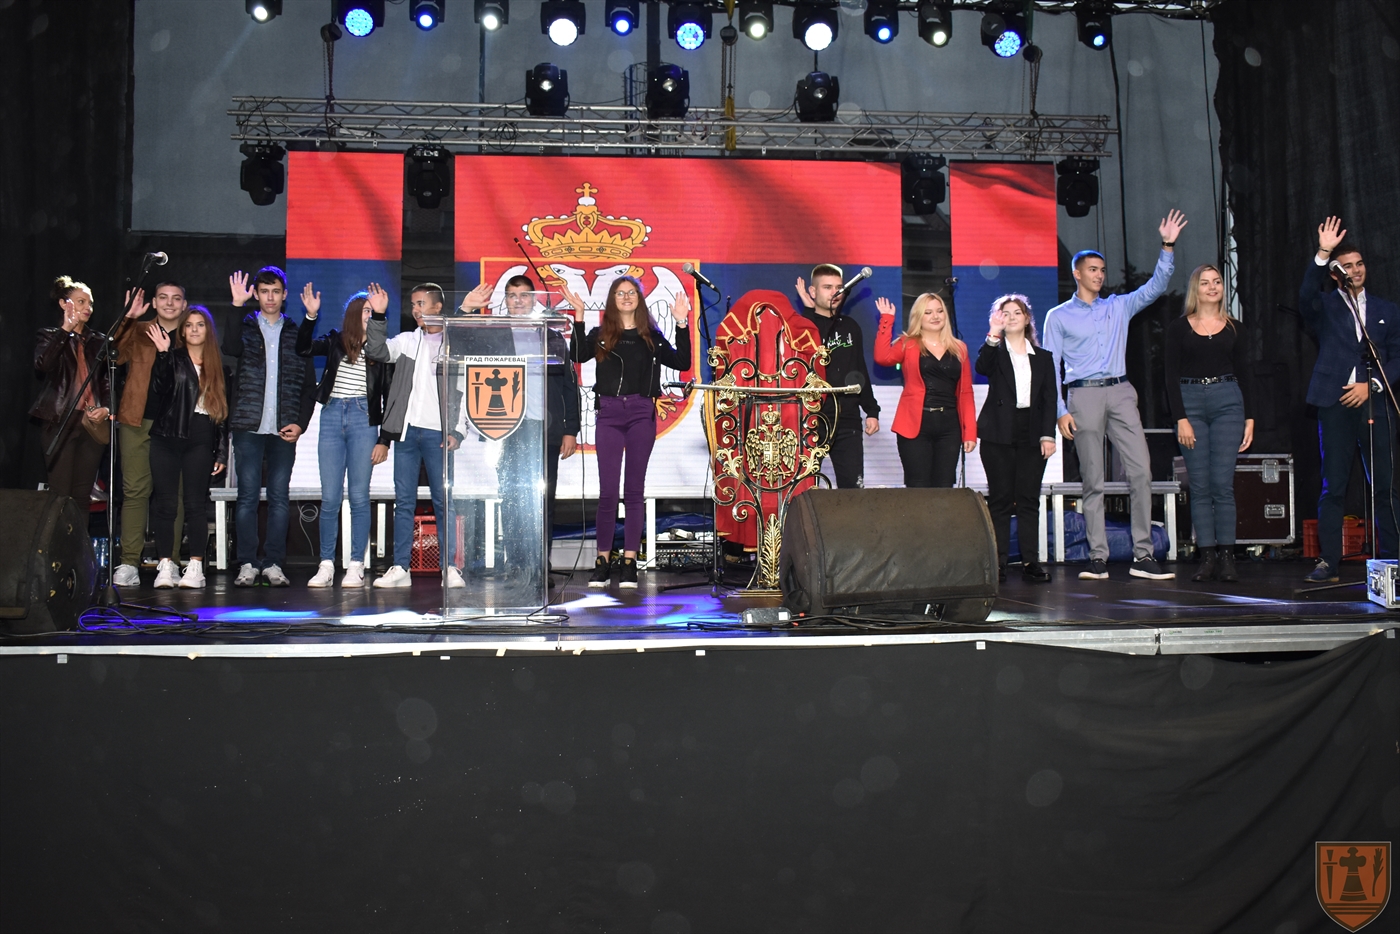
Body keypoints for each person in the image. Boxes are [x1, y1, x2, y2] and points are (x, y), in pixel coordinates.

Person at [1043, 210, 1188, 581]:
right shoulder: (1058, 316)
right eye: (1092, 270)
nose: (1099, 275)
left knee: (1141, 471)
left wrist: (1167, 246)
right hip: (1083, 395)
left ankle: (1143, 555)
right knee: (1093, 479)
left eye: (1102, 270)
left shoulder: (1118, 306)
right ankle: (1098, 557)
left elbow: (1155, 287)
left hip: (1121, 391)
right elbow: (1050, 367)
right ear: (1077, 273)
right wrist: (1059, 410)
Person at [563, 276, 691, 588]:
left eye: (631, 292)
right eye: (620, 293)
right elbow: (577, 355)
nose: (626, 297)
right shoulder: (602, 334)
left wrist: (681, 323)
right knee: (608, 493)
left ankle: (630, 561)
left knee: (634, 491)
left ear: (639, 298)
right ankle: (603, 560)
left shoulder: (651, 337)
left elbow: (683, 361)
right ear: (612, 299)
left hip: (640, 413)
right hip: (608, 413)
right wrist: (579, 317)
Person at [1299, 217, 1400, 583]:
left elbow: (1397, 357)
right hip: (1335, 402)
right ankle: (1328, 561)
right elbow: (1305, 298)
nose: (1356, 270)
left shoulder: (1387, 310)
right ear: (1335, 274)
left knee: (1386, 484)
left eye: (1359, 264)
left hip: (1375, 402)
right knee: (1334, 484)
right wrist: (1323, 252)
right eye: (1347, 266)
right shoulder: (1325, 306)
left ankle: (1392, 560)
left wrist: (1370, 384)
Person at [460, 275, 581, 579]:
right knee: (512, 498)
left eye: (524, 295)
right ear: (505, 300)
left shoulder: (552, 335)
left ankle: (539, 567)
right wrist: (466, 311)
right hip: (507, 429)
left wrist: (571, 429)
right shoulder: (494, 333)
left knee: (543, 501)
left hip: (545, 430)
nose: (518, 301)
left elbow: (570, 386)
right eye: (512, 295)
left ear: (534, 299)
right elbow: (460, 343)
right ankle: (516, 565)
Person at [367, 282, 466, 589]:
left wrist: (458, 431)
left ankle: (449, 567)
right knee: (404, 502)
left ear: (438, 307)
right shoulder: (408, 341)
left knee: (443, 501)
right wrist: (378, 316)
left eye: (421, 303)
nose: (416, 310)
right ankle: (400, 567)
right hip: (408, 433)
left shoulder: (454, 345)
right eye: (412, 305)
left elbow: (465, 391)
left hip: (439, 434)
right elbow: (377, 351)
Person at [224, 267, 318, 587]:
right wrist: (237, 306)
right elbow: (229, 348)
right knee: (247, 497)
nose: (270, 297)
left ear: (284, 294)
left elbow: (309, 386)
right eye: (264, 291)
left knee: (279, 497)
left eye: (275, 291)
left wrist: (301, 423)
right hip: (248, 425)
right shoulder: (246, 326)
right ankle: (248, 563)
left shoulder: (295, 332)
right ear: (256, 294)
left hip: (283, 429)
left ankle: (274, 562)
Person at [298, 284, 393, 588]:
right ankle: (326, 564)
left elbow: (389, 395)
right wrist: (310, 317)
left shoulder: (381, 349)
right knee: (330, 497)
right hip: (332, 415)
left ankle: (355, 565)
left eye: (373, 311)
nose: (369, 315)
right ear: (353, 314)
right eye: (365, 310)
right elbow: (303, 348)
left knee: (359, 496)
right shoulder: (335, 341)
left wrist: (384, 439)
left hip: (363, 418)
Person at [1166, 265, 1255, 583]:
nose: (1213, 287)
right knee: (1200, 486)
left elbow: (1245, 373)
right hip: (1190, 403)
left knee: (1222, 484)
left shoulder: (1235, 329)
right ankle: (1207, 558)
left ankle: (1228, 558)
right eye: (1205, 283)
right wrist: (1180, 418)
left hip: (1227, 402)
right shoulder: (1179, 328)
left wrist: (1250, 418)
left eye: (1217, 281)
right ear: (1196, 289)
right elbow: (1170, 376)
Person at [111, 281, 189, 587]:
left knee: (173, 496)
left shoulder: (192, 332)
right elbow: (113, 356)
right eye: (163, 298)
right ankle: (129, 562)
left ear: (184, 304)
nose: (169, 303)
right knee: (135, 492)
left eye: (176, 298)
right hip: (137, 420)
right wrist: (128, 317)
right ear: (154, 303)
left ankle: (170, 562)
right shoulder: (138, 330)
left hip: (176, 425)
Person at [145, 307, 230, 589]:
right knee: (165, 504)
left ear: (209, 330)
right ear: (182, 330)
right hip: (167, 435)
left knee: (195, 504)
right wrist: (162, 354)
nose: (194, 329)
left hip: (201, 435)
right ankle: (165, 565)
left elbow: (222, 414)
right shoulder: (172, 357)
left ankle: (195, 566)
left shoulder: (218, 366)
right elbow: (158, 389)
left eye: (200, 324)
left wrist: (221, 451)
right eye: (189, 325)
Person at [977, 294, 1058, 583]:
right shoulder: (995, 352)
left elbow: (1049, 399)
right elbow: (982, 367)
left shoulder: (1044, 357)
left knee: (1028, 499)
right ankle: (998, 563)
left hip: (1032, 432)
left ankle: (1030, 562)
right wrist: (993, 333)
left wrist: (1048, 435)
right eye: (1005, 313)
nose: (1011, 317)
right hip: (998, 432)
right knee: (1000, 499)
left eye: (1017, 312)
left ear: (1027, 319)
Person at [873, 293, 976, 488]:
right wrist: (886, 319)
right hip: (916, 425)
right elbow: (882, 357)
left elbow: (966, 393)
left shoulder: (959, 348)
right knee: (918, 487)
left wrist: (970, 432)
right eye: (928, 312)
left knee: (944, 487)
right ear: (918, 317)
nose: (935, 316)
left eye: (939, 311)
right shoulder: (908, 343)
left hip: (949, 426)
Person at [796, 265, 881, 487]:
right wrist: (809, 311)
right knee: (805, 486)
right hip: (811, 419)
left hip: (847, 420)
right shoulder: (803, 327)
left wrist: (871, 410)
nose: (835, 292)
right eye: (827, 287)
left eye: (839, 287)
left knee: (852, 489)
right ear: (813, 291)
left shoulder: (851, 327)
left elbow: (859, 370)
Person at [32, 276, 110, 506]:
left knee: (82, 497)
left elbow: (107, 381)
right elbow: (42, 365)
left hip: (91, 422)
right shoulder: (49, 335)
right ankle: (55, 532)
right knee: (60, 495)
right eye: (81, 302)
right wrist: (65, 330)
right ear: (64, 303)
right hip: (60, 420)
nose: (88, 308)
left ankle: (79, 533)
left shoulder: (98, 340)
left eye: (90, 303)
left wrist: (107, 408)